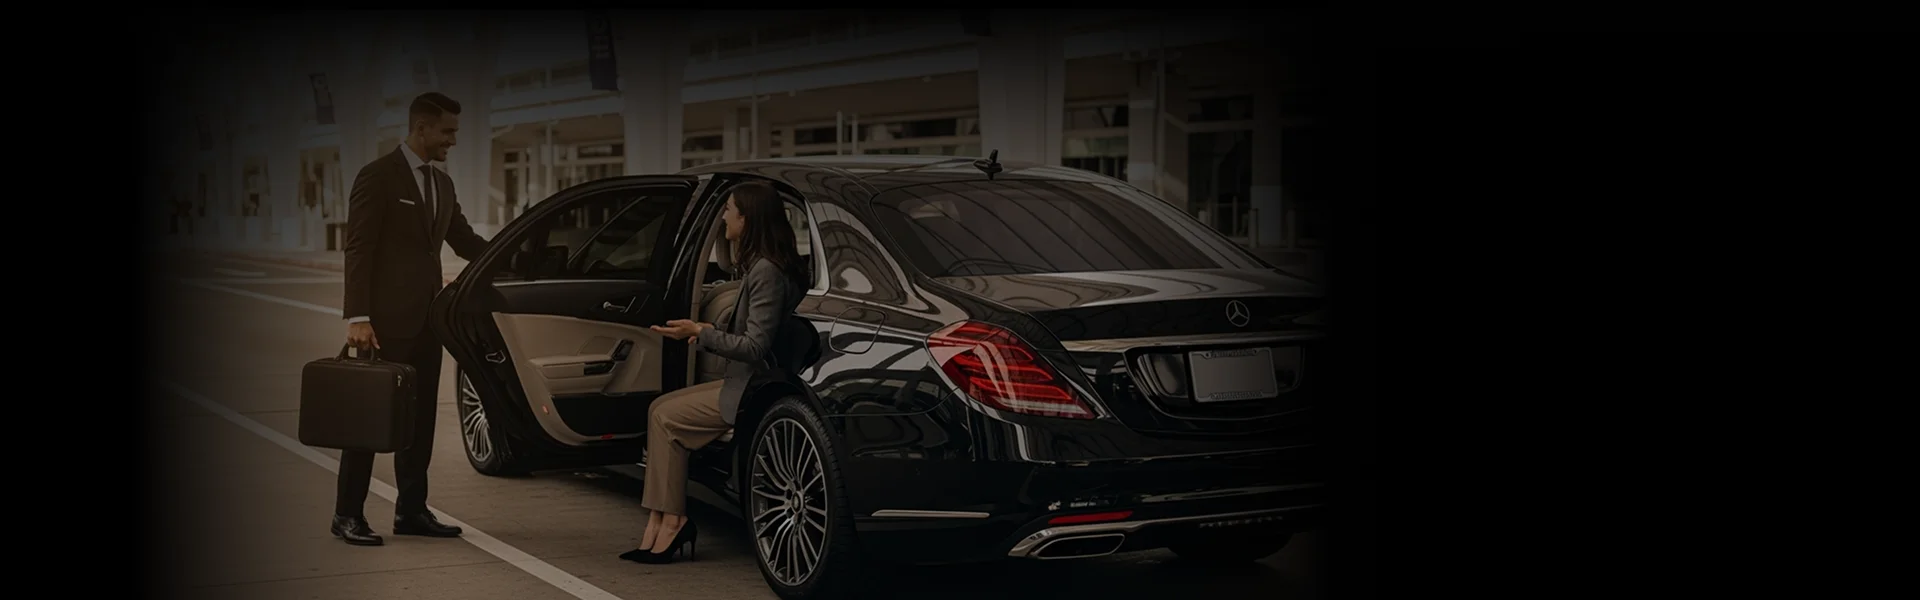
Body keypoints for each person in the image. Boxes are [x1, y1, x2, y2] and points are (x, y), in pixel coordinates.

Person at [333, 92, 491, 546]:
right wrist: (358, 316)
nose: (453, 140)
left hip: (427, 323)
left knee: (418, 422)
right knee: (368, 418)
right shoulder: (377, 176)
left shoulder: (442, 184)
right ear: (422, 128)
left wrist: (515, 256)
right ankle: (346, 514)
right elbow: (358, 247)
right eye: (448, 131)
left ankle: (412, 511)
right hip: (380, 324)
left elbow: (463, 240)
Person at [622, 181, 808, 564]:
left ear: (747, 218)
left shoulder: (766, 273)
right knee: (660, 411)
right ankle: (661, 520)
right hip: (746, 384)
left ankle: (671, 522)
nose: (723, 216)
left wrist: (703, 334)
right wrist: (699, 330)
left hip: (750, 391)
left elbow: (756, 346)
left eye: (728, 209)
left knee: (664, 418)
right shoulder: (763, 265)